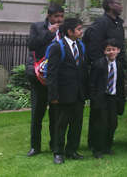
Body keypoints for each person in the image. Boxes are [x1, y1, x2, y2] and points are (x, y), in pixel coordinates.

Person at [45, 17, 88, 164]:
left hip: (78, 93)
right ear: (70, 31)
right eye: (79, 29)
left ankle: (72, 150)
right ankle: (58, 152)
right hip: (63, 94)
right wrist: (53, 94)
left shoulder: (81, 46)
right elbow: (52, 73)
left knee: (76, 124)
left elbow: (83, 70)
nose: (81, 31)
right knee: (61, 125)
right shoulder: (58, 47)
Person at [87, 0, 125, 149]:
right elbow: (94, 47)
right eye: (118, 3)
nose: (121, 6)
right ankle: (95, 144)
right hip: (102, 72)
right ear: (110, 5)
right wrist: (101, 65)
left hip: (114, 69)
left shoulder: (117, 24)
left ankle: (107, 144)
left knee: (111, 117)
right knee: (98, 115)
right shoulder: (101, 23)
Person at [24, 4, 63, 157]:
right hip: (38, 76)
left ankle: (54, 143)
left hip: (55, 77)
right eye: (56, 16)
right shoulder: (37, 27)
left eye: (61, 16)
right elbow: (32, 45)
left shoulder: (64, 29)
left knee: (55, 113)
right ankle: (35, 146)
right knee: (37, 113)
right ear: (49, 16)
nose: (59, 20)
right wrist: (49, 32)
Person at [87, 39, 126, 159]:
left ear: (118, 50)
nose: (111, 52)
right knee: (101, 123)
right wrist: (94, 98)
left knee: (112, 123)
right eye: (108, 50)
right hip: (102, 98)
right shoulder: (98, 64)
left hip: (113, 99)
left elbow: (120, 84)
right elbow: (91, 83)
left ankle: (107, 146)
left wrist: (121, 100)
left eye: (114, 49)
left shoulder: (119, 66)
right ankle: (97, 149)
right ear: (104, 51)